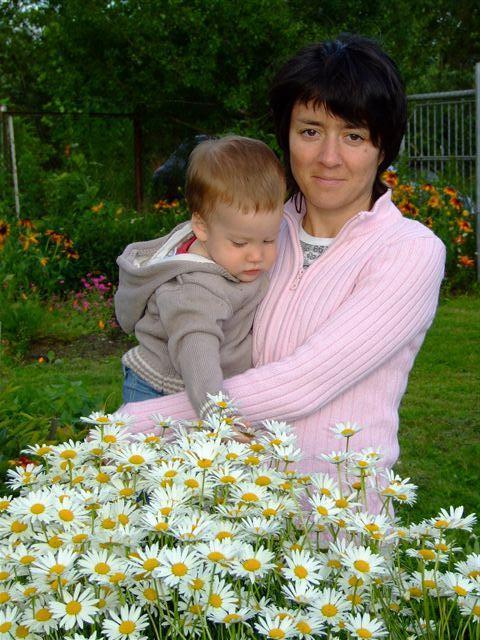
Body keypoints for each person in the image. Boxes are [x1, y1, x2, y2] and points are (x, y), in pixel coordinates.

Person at [119, 35, 445, 484]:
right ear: (286, 136)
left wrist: (138, 421)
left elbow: (303, 382)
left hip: (336, 514)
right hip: (240, 504)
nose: (329, 158)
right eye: (310, 131)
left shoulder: (408, 251)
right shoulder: (259, 232)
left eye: (354, 136)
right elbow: (185, 306)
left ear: (383, 147)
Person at [114, 135, 286, 419]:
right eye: (241, 243)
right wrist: (217, 414)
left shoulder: (225, 248)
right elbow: (197, 353)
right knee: (149, 449)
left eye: (269, 240)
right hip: (159, 389)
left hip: (199, 387)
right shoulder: (194, 290)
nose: (257, 255)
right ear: (201, 228)